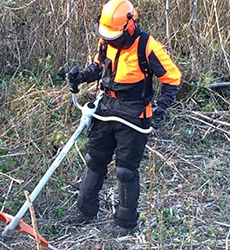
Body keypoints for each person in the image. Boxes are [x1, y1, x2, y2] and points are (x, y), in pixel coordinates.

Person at [67, 0, 181, 236]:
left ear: (129, 25)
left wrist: (161, 107)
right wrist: (81, 77)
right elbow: (99, 66)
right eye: (107, 36)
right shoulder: (107, 40)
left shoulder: (147, 46)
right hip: (107, 106)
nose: (110, 40)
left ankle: (125, 222)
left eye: (114, 36)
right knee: (94, 159)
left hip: (134, 112)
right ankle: (85, 211)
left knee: (126, 170)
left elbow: (172, 78)